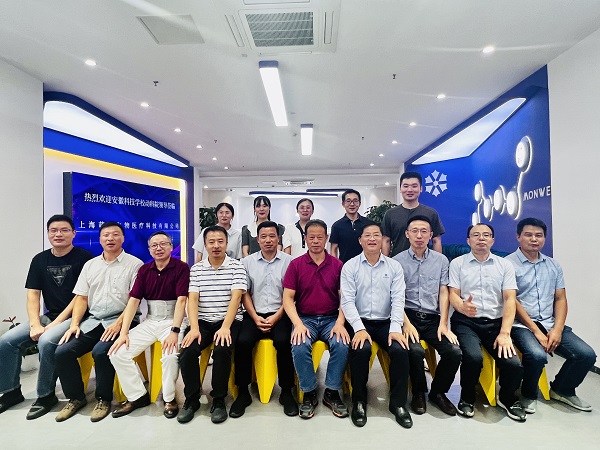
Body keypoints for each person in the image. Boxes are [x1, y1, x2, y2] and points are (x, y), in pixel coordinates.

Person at [0, 215, 93, 419]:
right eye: (53, 230)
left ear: (73, 233)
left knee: (47, 341)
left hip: (78, 318)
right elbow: (33, 294)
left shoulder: (85, 259)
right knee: (6, 341)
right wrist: (35, 324)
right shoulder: (40, 260)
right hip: (49, 316)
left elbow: (80, 297)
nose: (58, 234)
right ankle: (11, 392)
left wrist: (55, 324)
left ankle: (46, 395)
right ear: (48, 233)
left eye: (64, 230)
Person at [54, 222, 143, 422]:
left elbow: (134, 301)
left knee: (101, 352)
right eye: (106, 235)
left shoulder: (135, 264)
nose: (110, 238)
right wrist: (74, 324)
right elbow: (82, 298)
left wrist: (119, 324)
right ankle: (76, 398)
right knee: (62, 352)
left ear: (123, 238)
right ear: (100, 239)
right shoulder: (90, 265)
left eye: (115, 234)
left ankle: (103, 399)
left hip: (123, 321)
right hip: (93, 321)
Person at [506, 217, 596, 413]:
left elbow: (560, 298)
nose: (534, 239)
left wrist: (557, 329)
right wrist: (536, 332)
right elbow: (512, 301)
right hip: (521, 325)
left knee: (586, 355)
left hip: (549, 322)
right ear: (518, 237)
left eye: (539, 235)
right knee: (537, 355)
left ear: (544, 238)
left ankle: (562, 389)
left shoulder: (553, 265)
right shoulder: (507, 265)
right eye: (528, 235)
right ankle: (528, 394)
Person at [109, 231, 190, 419]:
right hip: (151, 320)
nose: (159, 248)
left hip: (173, 321)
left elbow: (182, 301)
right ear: (149, 249)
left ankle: (169, 399)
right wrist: (123, 333)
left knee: (170, 356)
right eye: (154, 245)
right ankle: (137, 396)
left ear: (171, 246)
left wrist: (175, 331)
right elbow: (134, 301)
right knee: (117, 353)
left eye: (163, 244)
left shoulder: (181, 267)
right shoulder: (144, 270)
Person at [449, 223, 525, 421]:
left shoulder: (504, 265)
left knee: (512, 363)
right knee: (473, 358)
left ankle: (508, 398)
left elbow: (510, 299)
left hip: (496, 324)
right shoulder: (457, 264)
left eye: (486, 235)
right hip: (466, 322)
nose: (481, 238)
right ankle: (467, 398)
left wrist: (505, 333)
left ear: (492, 240)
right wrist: (461, 306)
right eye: (476, 235)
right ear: (468, 241)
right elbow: (453, 294)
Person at [341, 223, 412, 428]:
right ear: (360, 240)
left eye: (376, 235)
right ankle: (359, 402)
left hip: (386, 322)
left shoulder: (394, 266)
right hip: (359, 321)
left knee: (400, 350)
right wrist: (359, 328)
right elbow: (347, 301)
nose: (372, 239)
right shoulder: (350, 266)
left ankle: (398, 404)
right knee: (361, 349)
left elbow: (398, 299)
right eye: (367, 235)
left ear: (382, 239)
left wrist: (396, 328)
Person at [177, 225, 247, 424]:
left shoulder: (236, 267)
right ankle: (191, 399)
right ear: (205, 245)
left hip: (229, 321)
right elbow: (192, 299)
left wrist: (225, 327)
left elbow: (236, 298)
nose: (216, 246)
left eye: (220, 241)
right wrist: (194, 328)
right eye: (211, 242)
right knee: (187, 351)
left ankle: (218, 399)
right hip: (202, 321)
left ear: (227, 243)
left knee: (222, 350)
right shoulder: (196, 269)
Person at [394, 216, 461, 417]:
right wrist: (405, 323)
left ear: (431, 235)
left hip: (433, 319)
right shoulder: (397, 261)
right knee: (414, 351)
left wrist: (443, 323)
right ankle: (419, 392)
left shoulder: (441, 260)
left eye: (424, 231)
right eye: (414, 231)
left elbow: (443, 292)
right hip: (408, 317)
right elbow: (395, 296)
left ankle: (438, 392)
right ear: (407, 234)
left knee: (454, 352)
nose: (419, 235)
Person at [283, 219, 350, 419]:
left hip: (331, 318)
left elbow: (345, 298)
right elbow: (287, 298)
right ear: (305, 239)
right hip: (305, 319)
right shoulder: (296, 264)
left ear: (326, 238)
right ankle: (309, 392)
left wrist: (340, 322)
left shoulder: (338, 265)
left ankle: (332, 392)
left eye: (319, 237)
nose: (315, 241)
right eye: (311, 237)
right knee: (299, 344)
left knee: (342, 344)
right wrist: (298, 324)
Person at [231, 221, 297, 418]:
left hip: (281, 313)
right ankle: (243, 392)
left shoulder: (290, 262)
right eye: (264, 237)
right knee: (242, 341)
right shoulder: (247, 262)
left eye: (272, 236)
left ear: (278, 238)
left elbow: (290, 295)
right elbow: (244, 293)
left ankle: (286, 391)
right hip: (254, 313)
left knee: (285, 341)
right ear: (257, 240)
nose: (268, 240)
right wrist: (255, 316)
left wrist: (277, 317)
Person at [382, 171, 445, 257]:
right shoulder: (390, 214)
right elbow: (386, 240)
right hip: (397, 261)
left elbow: (436, 240)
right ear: (400, 189)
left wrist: (438, 261)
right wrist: (385, 262)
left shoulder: (431, 213)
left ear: (421, 189)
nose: (410, 190)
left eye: (414, 186)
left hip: (424, 261)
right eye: (406, 186)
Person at [330, 189, 374, 263]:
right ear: (343, 204)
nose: (352, 204)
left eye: (355, 201)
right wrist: (336, 266)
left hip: (367, 265)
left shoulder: (368, 224)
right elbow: (333, 249)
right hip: (345, 265)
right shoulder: (337, 226)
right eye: (348, 201)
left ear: (359, 203)